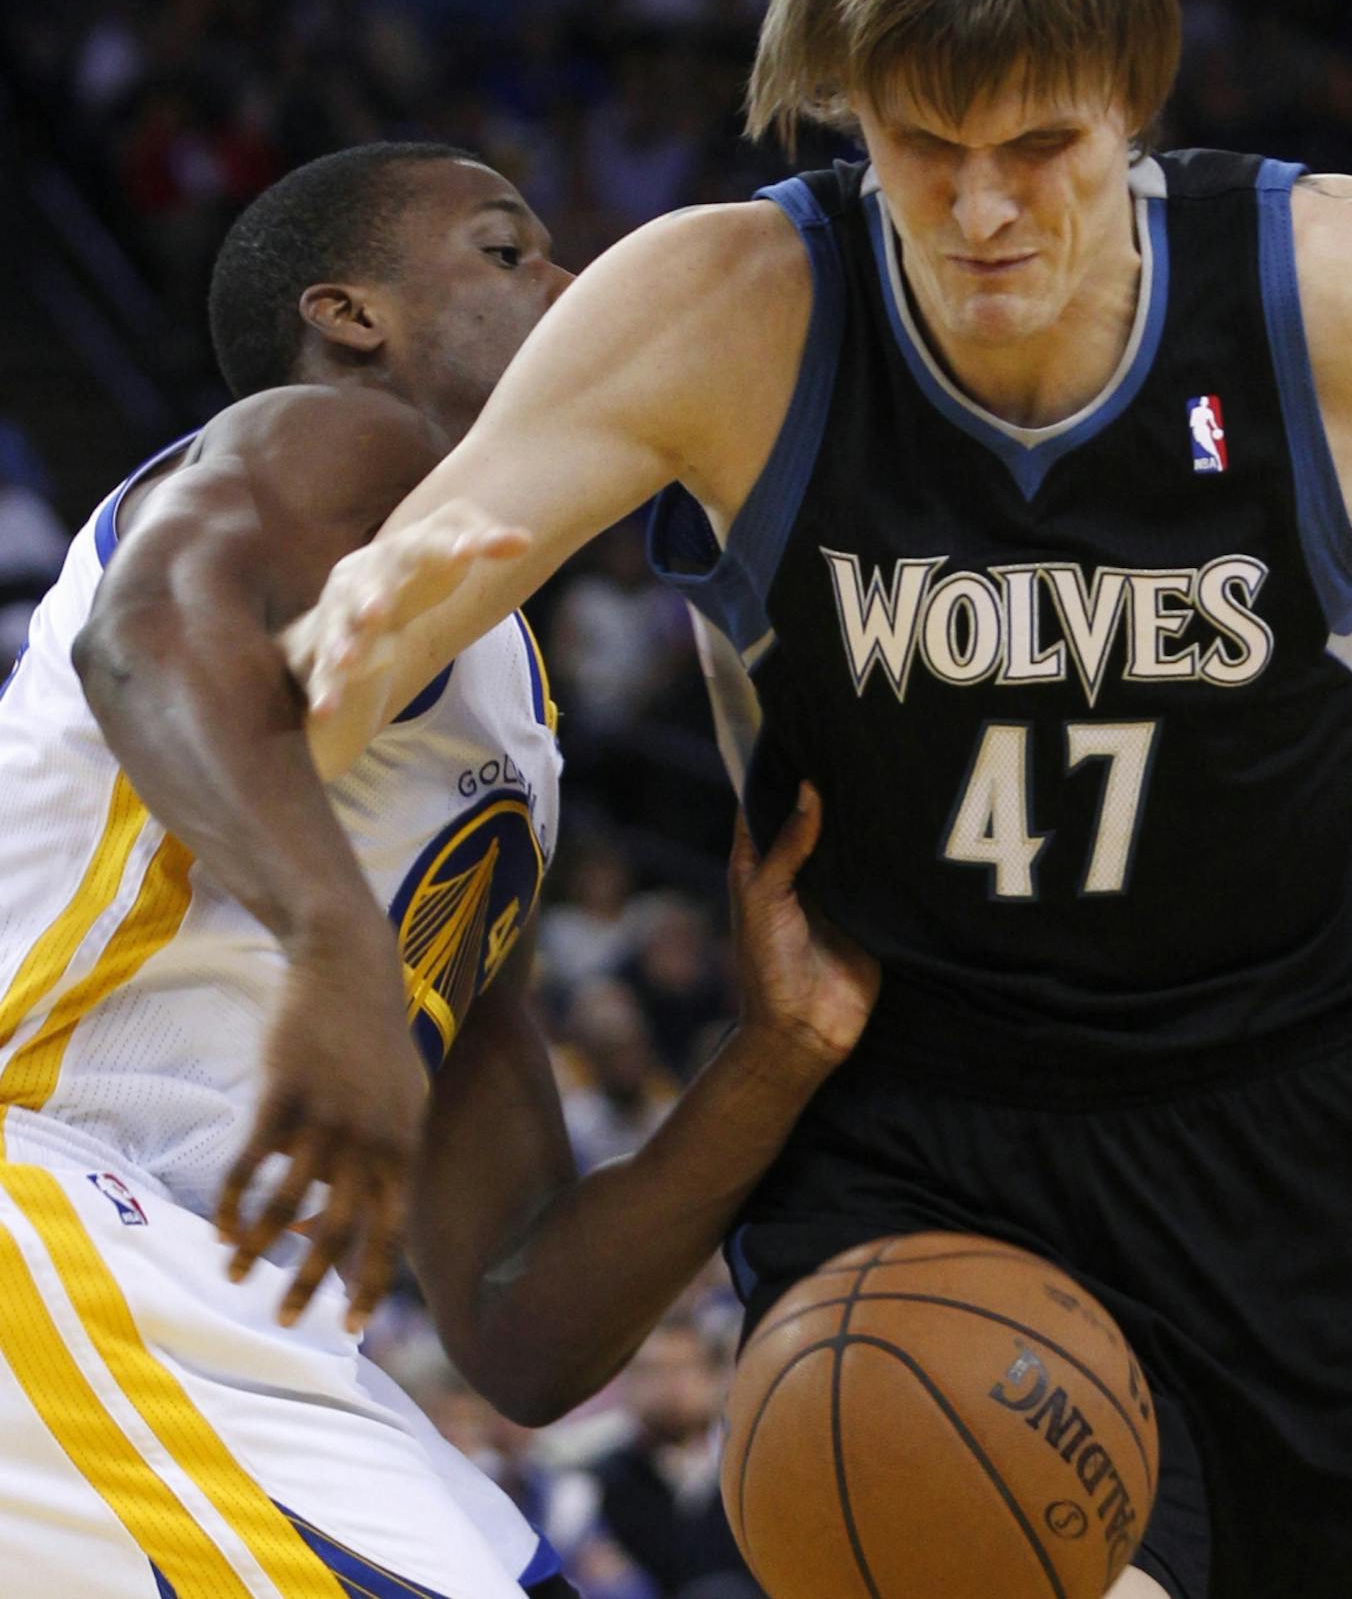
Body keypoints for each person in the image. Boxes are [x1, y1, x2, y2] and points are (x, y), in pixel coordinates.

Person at [284, 0, 1352, 1591]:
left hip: (1316, 1101)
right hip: (924, 1124)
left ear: (1131, 100)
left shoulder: (1349, 290)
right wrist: (350, 654)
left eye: (1040, 148)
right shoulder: (720, 312)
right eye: (923, 149)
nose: (982, 213)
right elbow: (411, 597)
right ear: (850, 113)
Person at [0, 142, 875, 1595]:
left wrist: (773, 1055)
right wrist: (340, 951)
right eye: (504, 250)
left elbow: (519, 1325)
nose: (572, 281)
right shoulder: (332, 441)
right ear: (353, 315)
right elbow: (148, 629)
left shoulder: (507, 718)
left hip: (233, 1324)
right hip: (46, 1196)